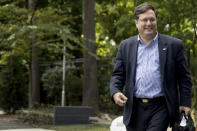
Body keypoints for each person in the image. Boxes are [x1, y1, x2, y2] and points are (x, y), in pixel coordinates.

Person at [110, 3, 192, 131]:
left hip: (161, 106)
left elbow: (184, 78)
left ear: (156, 21)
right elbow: (117, 75)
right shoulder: (125, 46)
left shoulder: (173, 45)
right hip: (134, 107)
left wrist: (185, 103)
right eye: (144, 20)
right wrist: (115, 92)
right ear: (136, 22)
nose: (149, 23)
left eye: (152, 19)